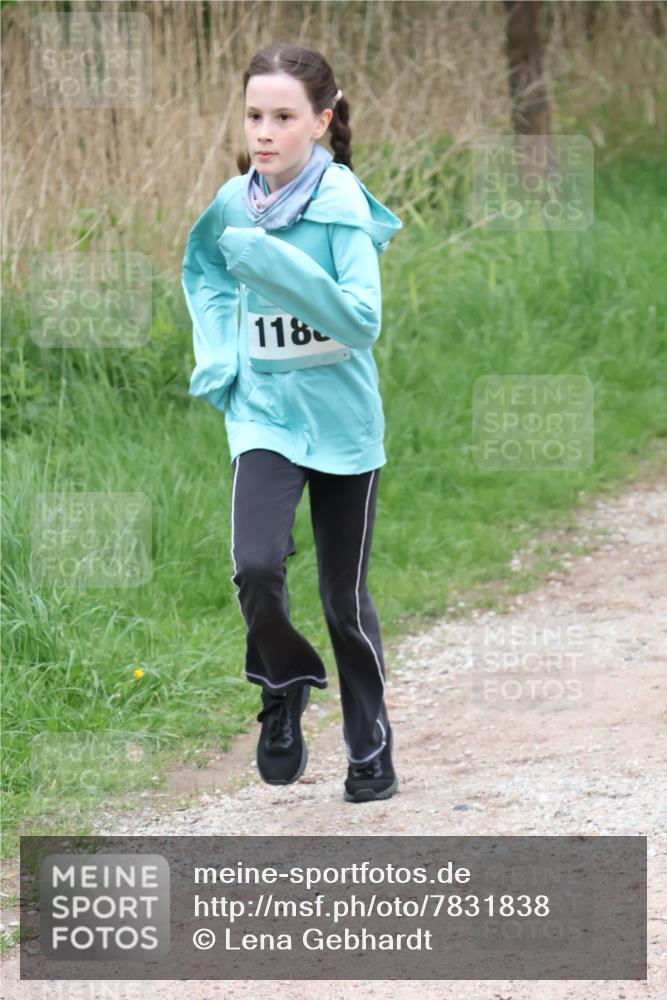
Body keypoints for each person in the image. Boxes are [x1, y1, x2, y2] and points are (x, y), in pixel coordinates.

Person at [181, 42, 403, 803]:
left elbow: (361, 319)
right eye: (254, 116)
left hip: (343, 426)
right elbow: (205, 272)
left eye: (282, 117)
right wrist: (222, 354)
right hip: (264, 416)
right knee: (255, 564)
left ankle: (370, 749)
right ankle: (283, 683)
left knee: (344, 600)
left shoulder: (340, 206)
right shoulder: (231, 203)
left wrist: (275, 266)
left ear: (321, 121)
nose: (264, 133)